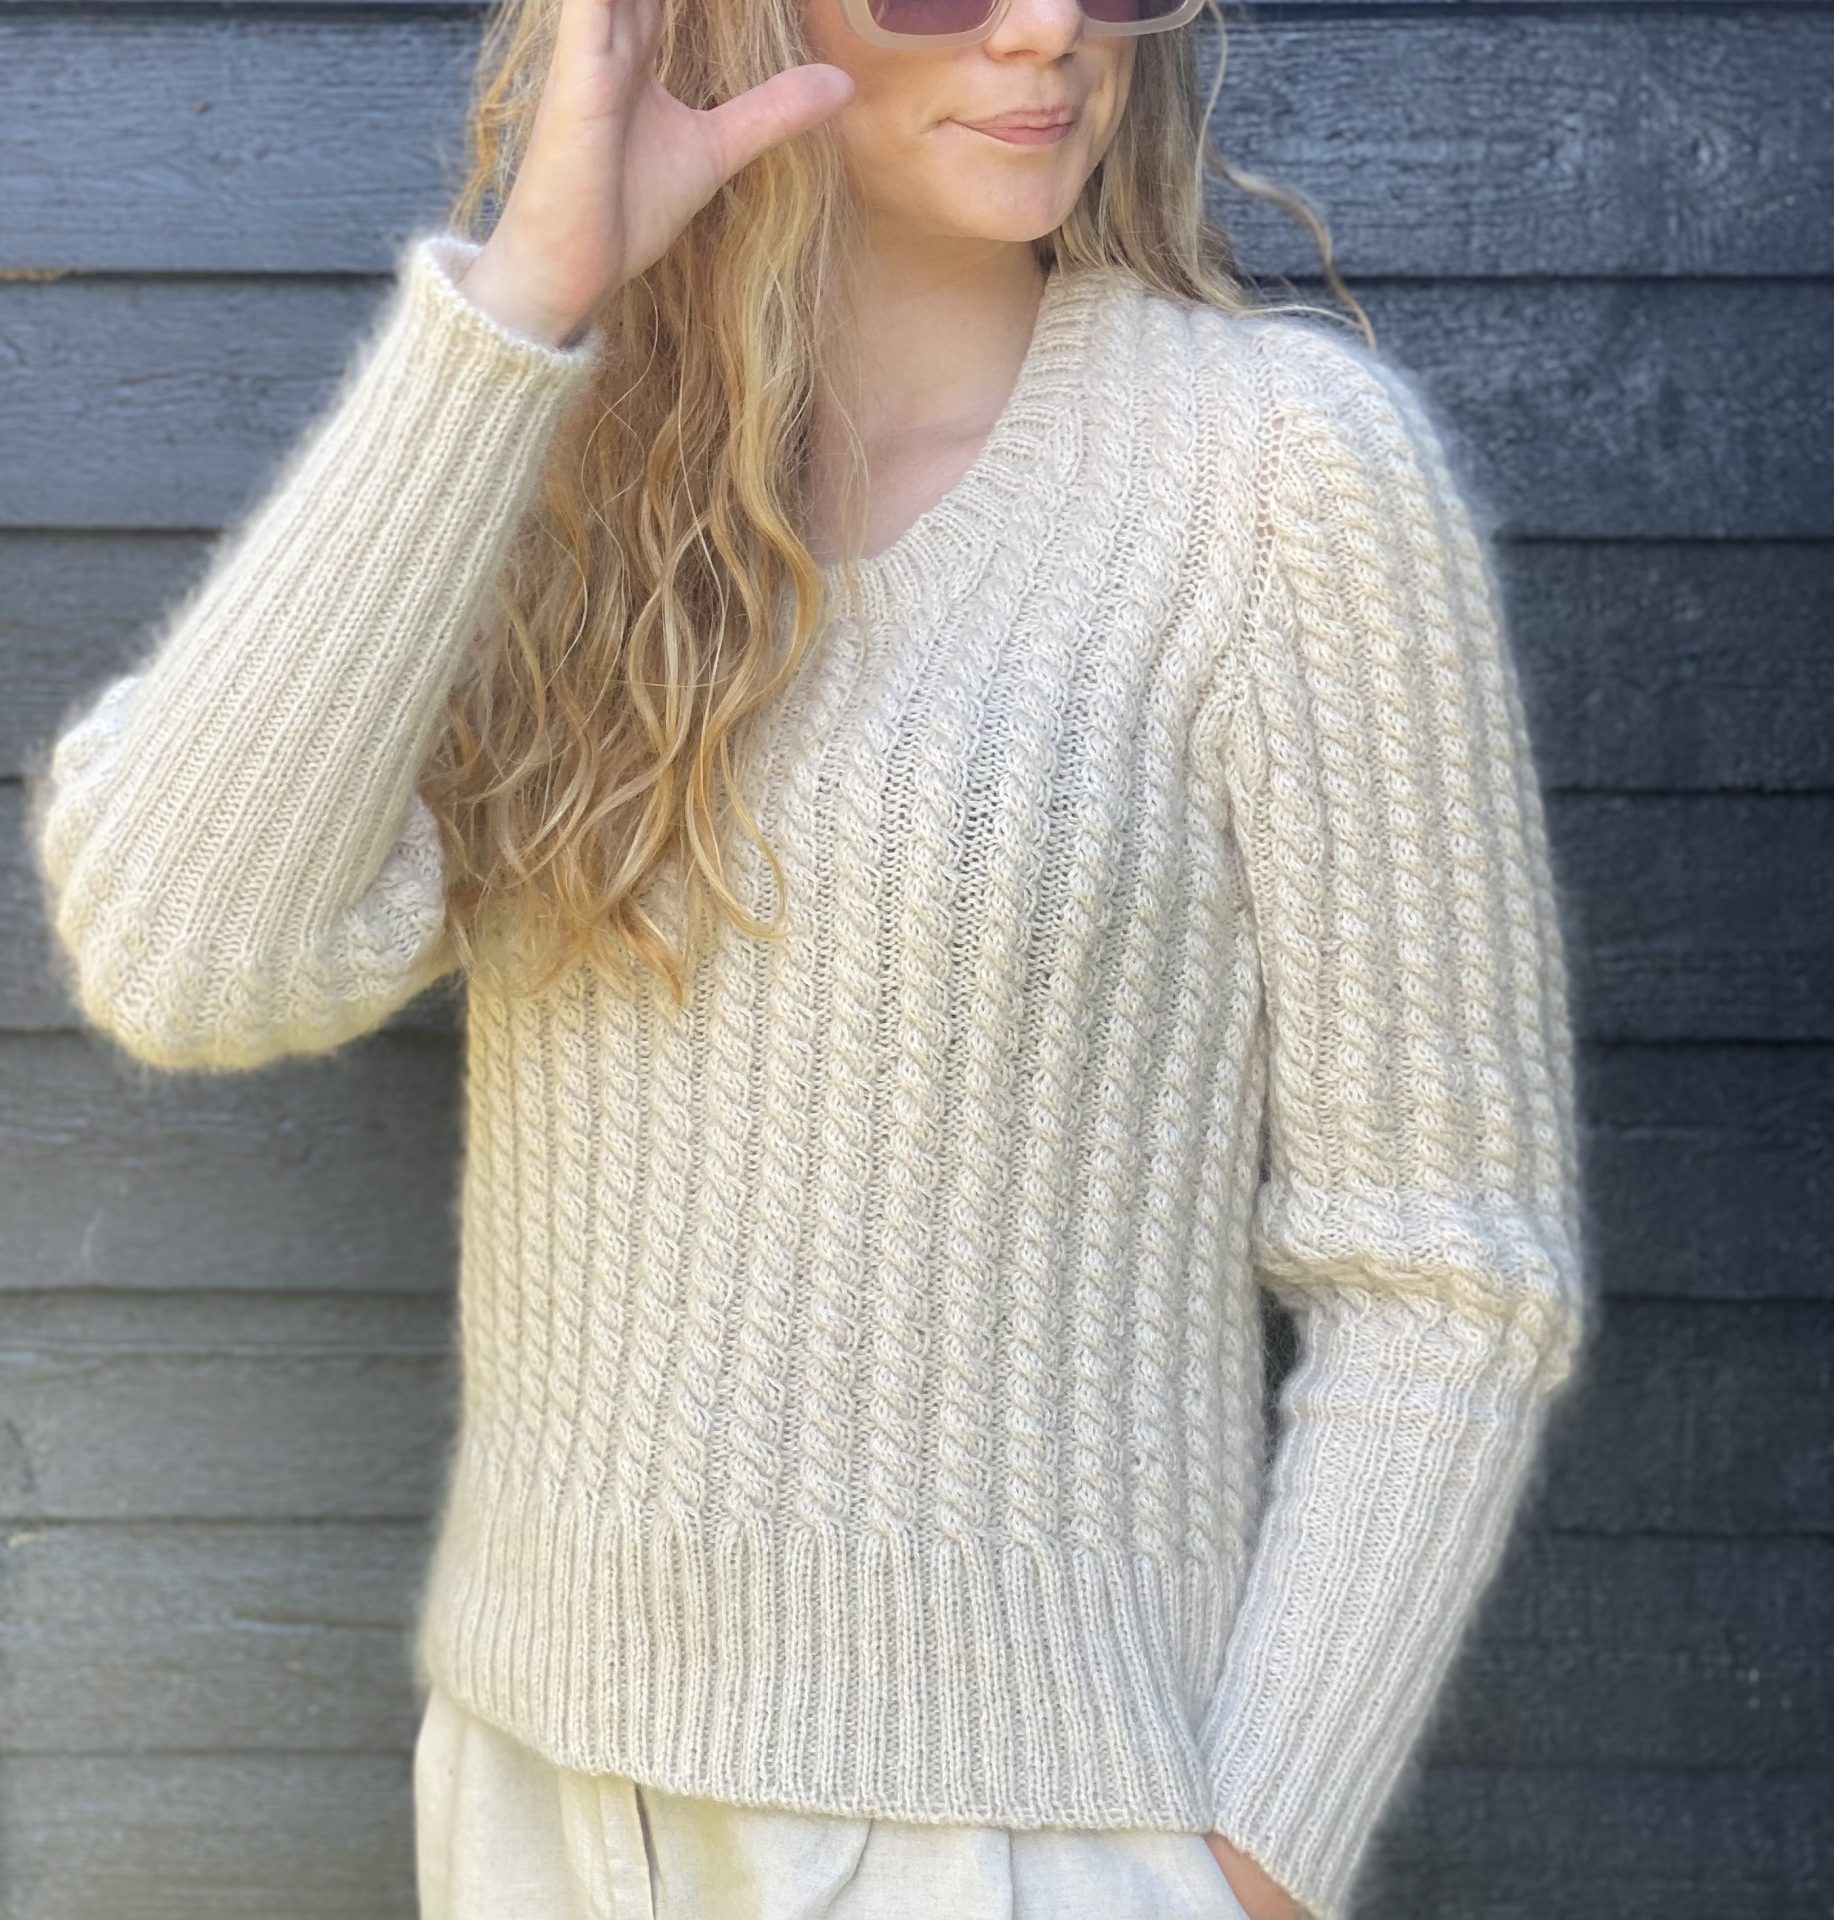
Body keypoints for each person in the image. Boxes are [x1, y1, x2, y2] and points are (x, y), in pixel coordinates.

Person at [23, 0, 1595, 1916]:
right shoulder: (552, 460)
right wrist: (525, 306)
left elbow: (1446, 1264)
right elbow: (189, 954)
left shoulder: (1275, 477)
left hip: (1017, 1822)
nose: (1049, 28)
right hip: (542, 1789)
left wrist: (1249, 1857)